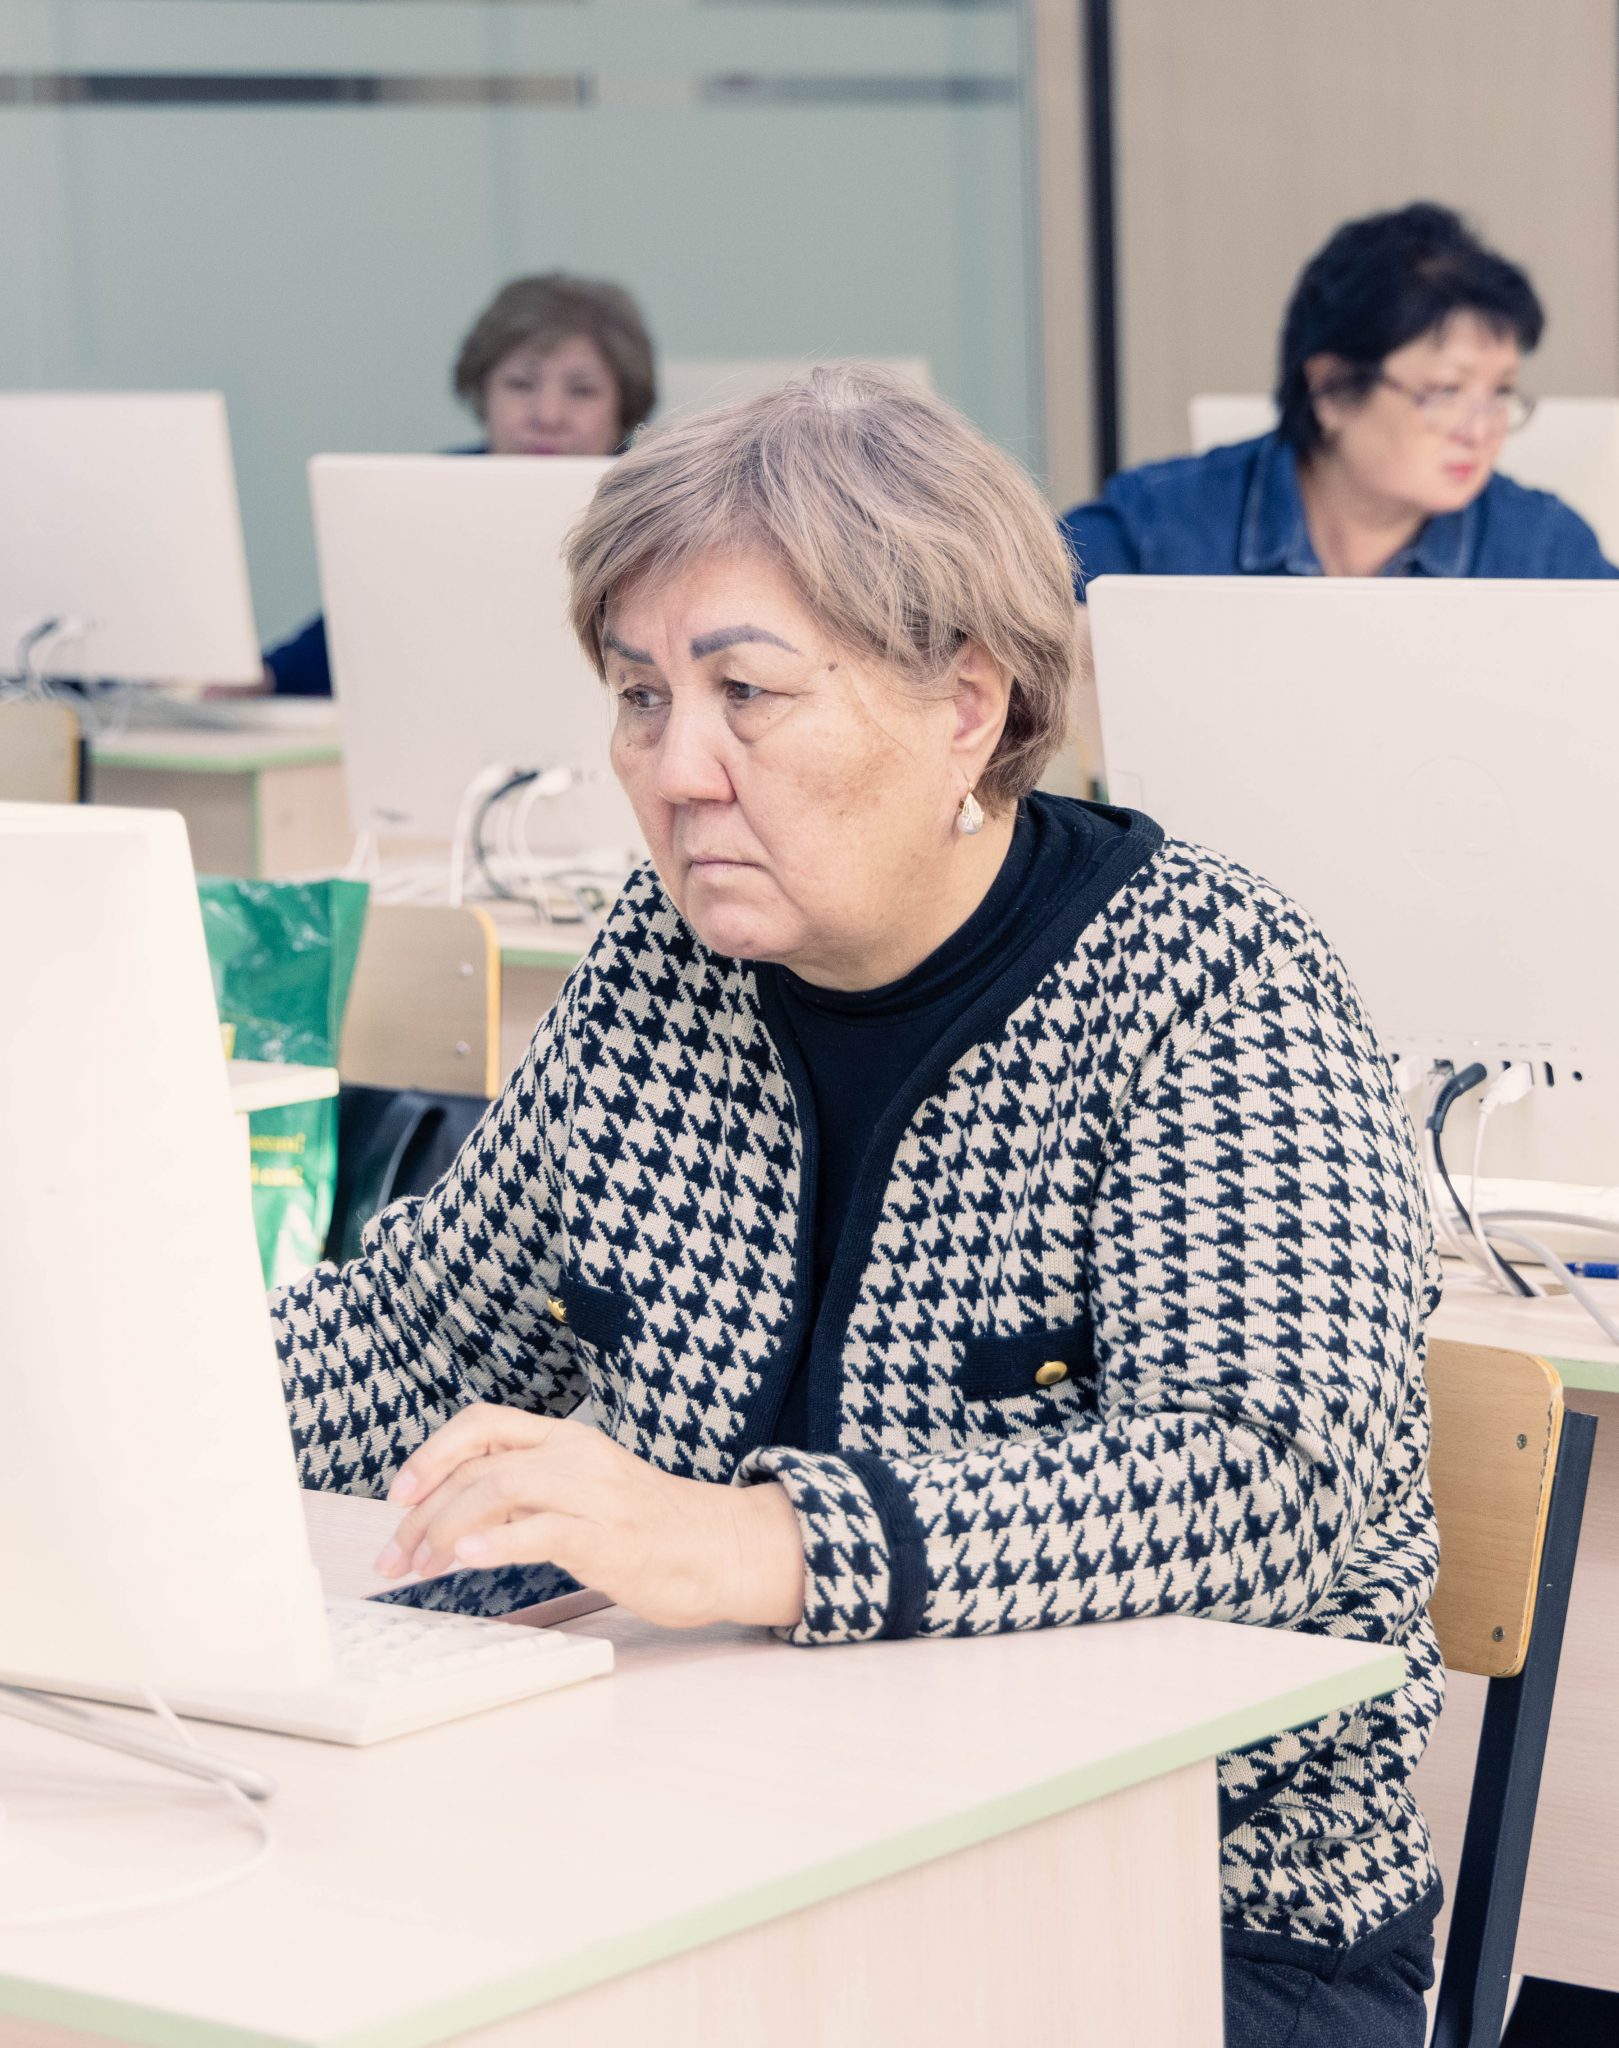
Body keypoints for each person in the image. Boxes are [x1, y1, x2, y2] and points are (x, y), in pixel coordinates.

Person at [274, 366, 1443, 2046]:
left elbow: (1261, 1473)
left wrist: (752, 1542)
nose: (675, 768)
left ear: (961, 704)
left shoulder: (1209, 987)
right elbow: (412, 1341)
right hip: (723, 1839)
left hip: (1187, 1912)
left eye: (744, 692)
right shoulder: (661, 964)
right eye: (638, 696)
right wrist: (110, 1414)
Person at [1062, 201, 1618, 589]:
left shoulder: (1545, 549)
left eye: (1500, 393)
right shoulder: (1157, 528)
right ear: (1331, 389)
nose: (1481, 431)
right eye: (1446, 391)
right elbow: (1023, 633)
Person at [265, 273, 657, 696]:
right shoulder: (431, 492)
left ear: (623, 406)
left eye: (581, 391)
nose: (548, 415)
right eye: (520, 384)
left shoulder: (659, 502)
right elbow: (350, 635)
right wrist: (259, 676)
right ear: (482, 394)